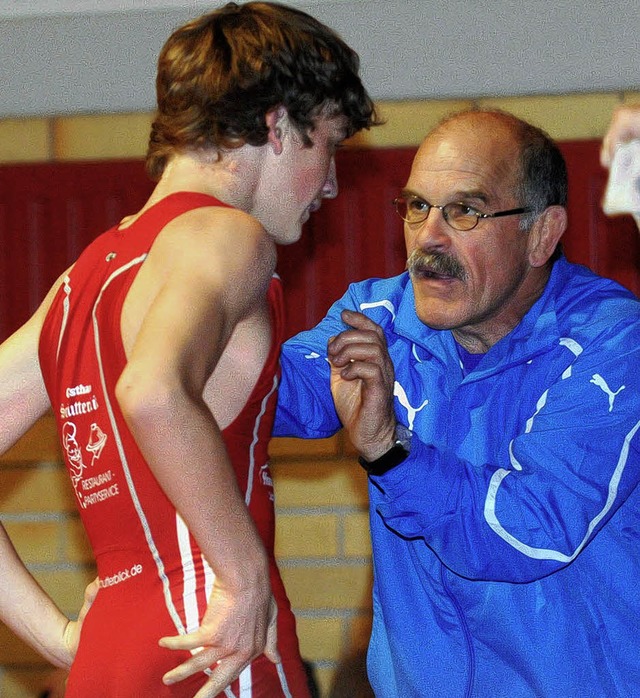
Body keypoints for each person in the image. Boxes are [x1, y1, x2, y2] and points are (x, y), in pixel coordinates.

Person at [0, 2, 376, 696]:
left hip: (110, 658)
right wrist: (246, 575)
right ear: (277, 126)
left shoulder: (80, 283)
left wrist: (58, 639)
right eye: (328, 145)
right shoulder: (229, 237)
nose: (330, 183)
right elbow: (151, 390)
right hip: (215, 644)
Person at [273, 109, 640, 696]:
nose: (429, 239)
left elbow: (531, 526)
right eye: (417, 208)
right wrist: (199, 276)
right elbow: (260, 392)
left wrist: (391, 455)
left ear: (543, 234)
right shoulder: (381, 318)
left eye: (463, 212)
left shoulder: (613, 343)